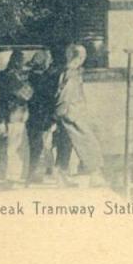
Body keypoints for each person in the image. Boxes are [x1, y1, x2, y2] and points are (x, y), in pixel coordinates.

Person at [54, 44, 106, 187]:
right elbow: (65, 95)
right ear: (79, 57)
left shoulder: (69, 71)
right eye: (83, 56)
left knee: (65, 143)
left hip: (69, 111)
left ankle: (61, 176)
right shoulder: (71, 73)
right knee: (88, 142)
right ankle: (95, 176)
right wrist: (63, 112)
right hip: (72, 113)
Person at [0, 49, 34, 187]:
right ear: (17, 61)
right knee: (15, 147)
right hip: (16, 115)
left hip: (15, 115)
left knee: (16, 147)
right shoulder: (12, 77)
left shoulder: (10, 75)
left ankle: (15, 176)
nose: (23, 63)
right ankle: (13, 177)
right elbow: (27, 94)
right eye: (22, 60)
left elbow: (0, 100)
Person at [26, 50, 59, 184]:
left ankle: (44, 171)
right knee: (42, 144)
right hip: (43, 115)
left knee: (40, 144)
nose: (50, 61)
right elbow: (49, 97)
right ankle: (36, 174)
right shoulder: (43, 78)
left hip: (34, 115)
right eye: (48, 59)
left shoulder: (31, 76)